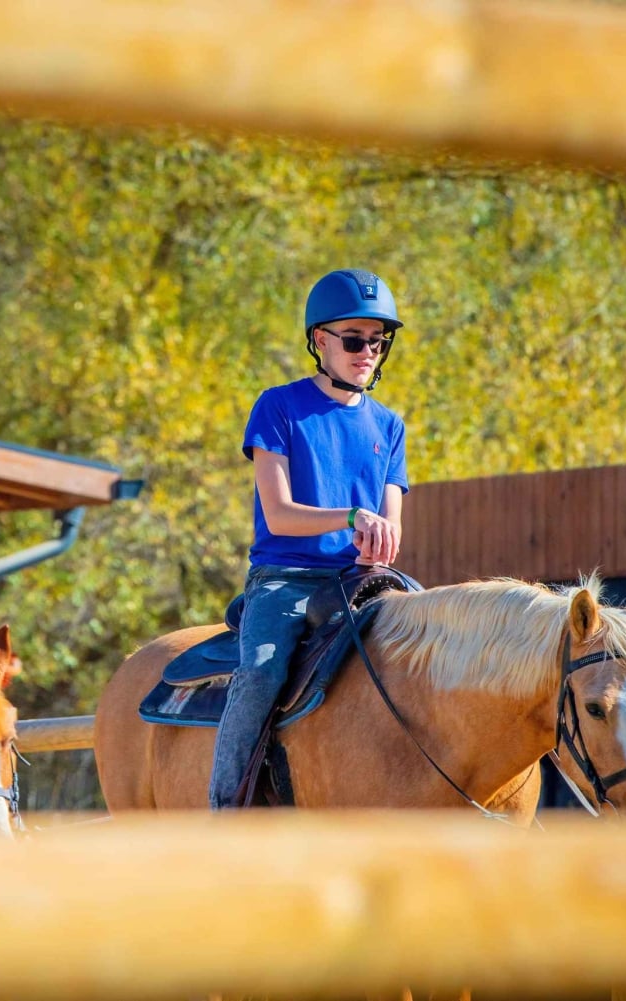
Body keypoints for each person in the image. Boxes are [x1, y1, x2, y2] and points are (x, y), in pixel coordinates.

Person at [208, 269, 409, 809]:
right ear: (320, 341)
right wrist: (351, 518)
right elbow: (278, 515)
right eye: (354, 339)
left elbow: (389, 525)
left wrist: (377, 543)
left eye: (378, 340)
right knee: (262, 669)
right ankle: (226, 807)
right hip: (287, 579)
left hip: (363, 581)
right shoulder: (277, 407)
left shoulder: (390, 426)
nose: (368, 351)